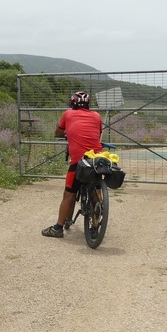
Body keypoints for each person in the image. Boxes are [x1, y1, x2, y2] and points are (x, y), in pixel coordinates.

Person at [41, 91, 103, 238]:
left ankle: (58, 228)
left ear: (73, 104)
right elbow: (97, 132)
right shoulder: (97, 116)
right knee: (96, 191)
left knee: (68, 194)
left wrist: (68, 134)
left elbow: (57, 132)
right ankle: (96, 225)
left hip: (79, 162)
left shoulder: (68, 114)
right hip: (96, 160)